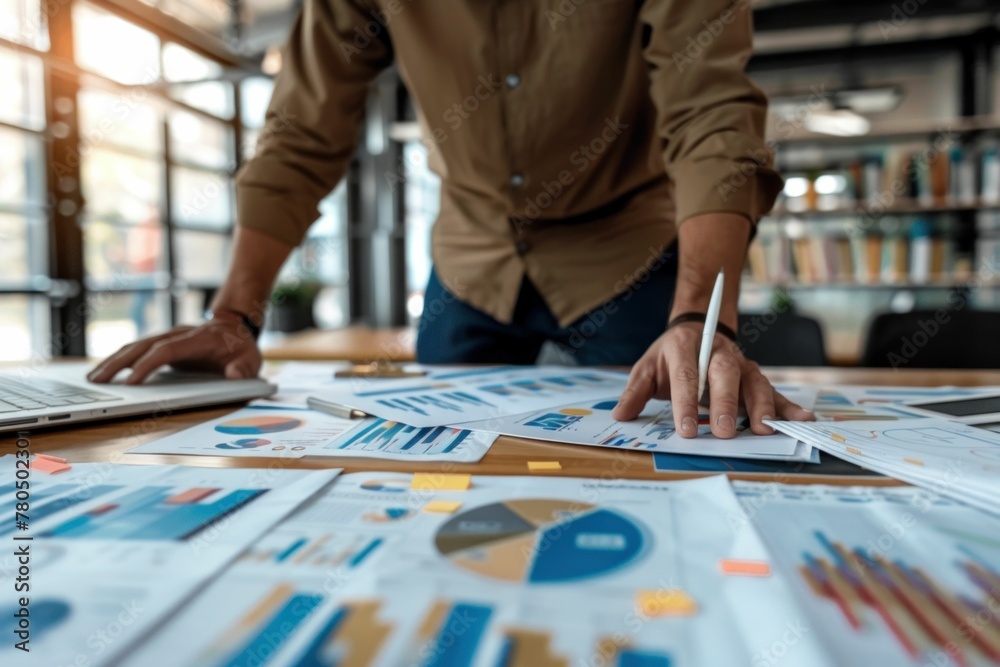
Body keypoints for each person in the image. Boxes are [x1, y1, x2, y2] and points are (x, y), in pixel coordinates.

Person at [89, 0, 814, 438]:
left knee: (679, 442)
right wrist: (234, 314)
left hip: (625, 250)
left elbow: (713, 116)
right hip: (473, 256)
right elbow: (303, 131)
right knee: (433, 465)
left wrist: (703, 320)